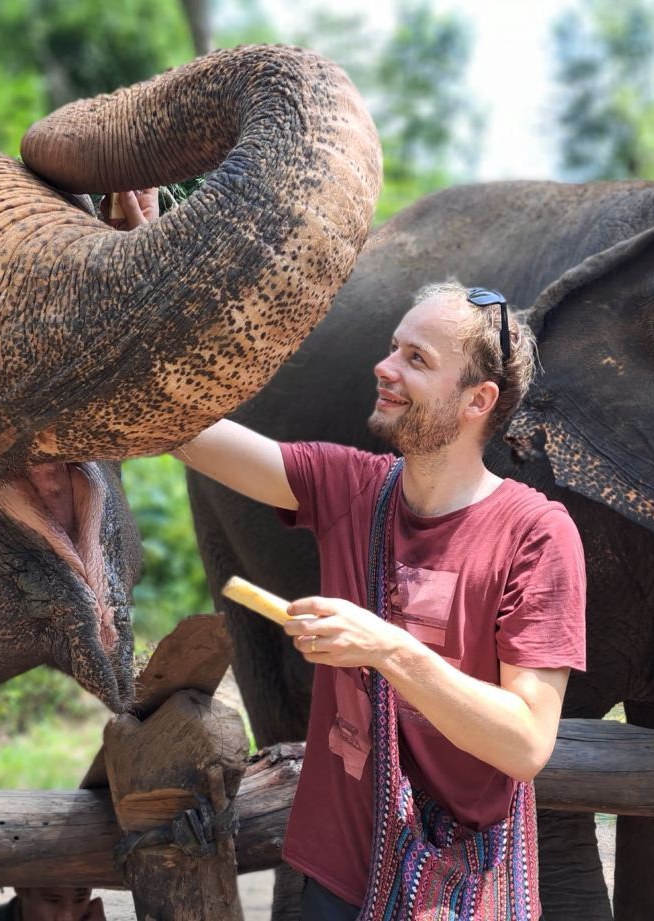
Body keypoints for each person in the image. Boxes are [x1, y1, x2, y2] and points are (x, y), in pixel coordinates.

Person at [113, 190, 585, 919]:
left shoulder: (536, 535)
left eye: (416, 358)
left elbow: (525, 741)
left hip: (457, 887)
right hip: (338, 875)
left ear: (476, 400)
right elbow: (187, 429)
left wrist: (387, 648)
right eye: (394, 347)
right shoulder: (350, 488)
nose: (384, 367)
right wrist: (147, 277)